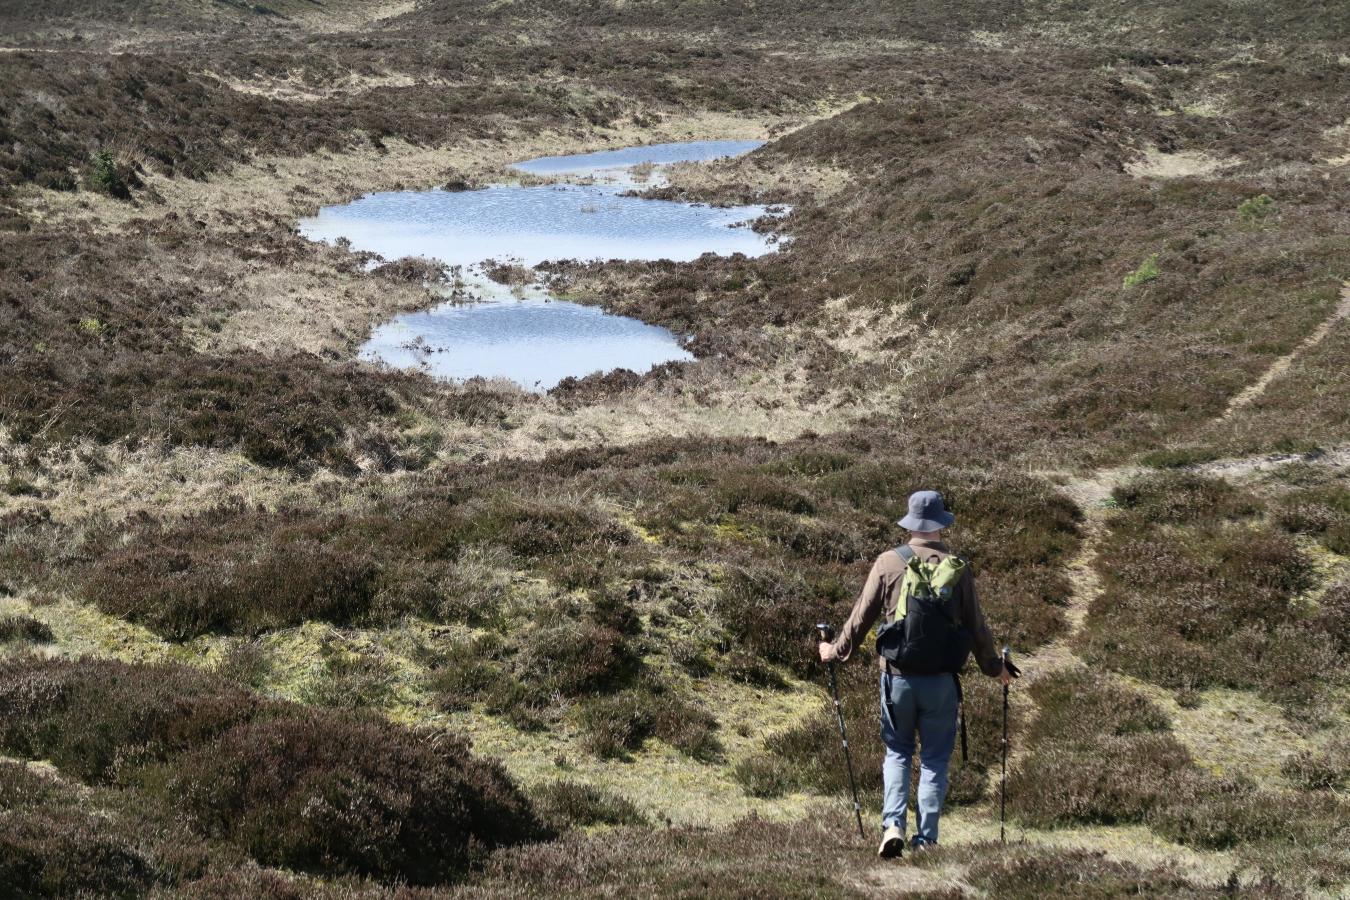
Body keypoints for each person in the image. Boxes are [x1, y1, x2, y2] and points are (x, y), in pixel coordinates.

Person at [818, 489, 1011, 859]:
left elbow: (861, 618)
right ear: (940, 523)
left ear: (909, 522)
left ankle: (893, 825)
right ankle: (926, 839)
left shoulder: (888, 563)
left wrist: (835, 650)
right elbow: (976, 627)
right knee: (936, 759)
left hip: (897, 679)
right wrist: (995, 667)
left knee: (897, 752)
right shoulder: (957, 568)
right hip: (941, 683)